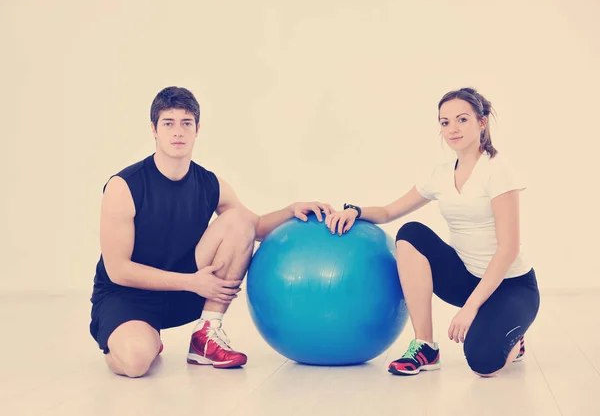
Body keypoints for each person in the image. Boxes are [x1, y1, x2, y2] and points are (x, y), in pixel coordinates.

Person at [89, 86, 334, 378]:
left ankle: (206, 334)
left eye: (186, 123)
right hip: (128, 295)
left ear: (197, 129)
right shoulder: (124, 186)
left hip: (189, 287)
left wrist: (291, 209)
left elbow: (252, 227)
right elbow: (118, 270)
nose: (177, 132)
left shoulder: (209, 183)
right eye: (168, 123)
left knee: (237, 220)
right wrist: (191, 282)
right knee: (135, 362)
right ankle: (140, 341)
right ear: (154, 129)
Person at [326, 87, 540, 377]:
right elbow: (390, 212)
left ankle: (514, 337)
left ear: (481, 122)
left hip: (511, 287)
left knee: (483, 363)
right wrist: (355, 210)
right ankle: (425, 345)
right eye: (445, 122)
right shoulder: (439, 174)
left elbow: (508, 249)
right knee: (411, 233)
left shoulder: (497, 170)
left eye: (462, 119)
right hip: (466, 278)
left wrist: (471, 308)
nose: (453, 128)